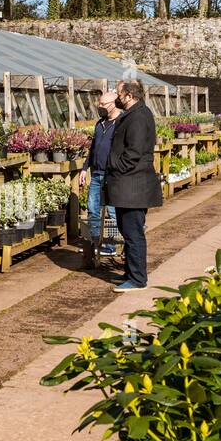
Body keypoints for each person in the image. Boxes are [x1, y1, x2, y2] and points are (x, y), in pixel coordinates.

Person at [104, 79, 163, 292]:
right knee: (128, 230)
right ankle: (131, 272)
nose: (116, 96)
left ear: (129, 95)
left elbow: (134, 152)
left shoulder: (138, 116)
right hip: (128, 184)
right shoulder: (135, 113)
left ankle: (138, 279)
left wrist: (114, 166)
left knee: (133, 232)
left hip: (132, 184)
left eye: (119, 93)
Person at [78, 87, 121, 257]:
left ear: (113, 104)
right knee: (92, 208)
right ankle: (94, 243)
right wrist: (84, 168)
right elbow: (93, 148)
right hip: (96, 173)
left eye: (103, 104)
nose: (100, 106)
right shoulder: (100, 123)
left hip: (112, 174)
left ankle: (111, 246)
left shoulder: (121, 123)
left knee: (112, 211)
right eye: (99, 103)